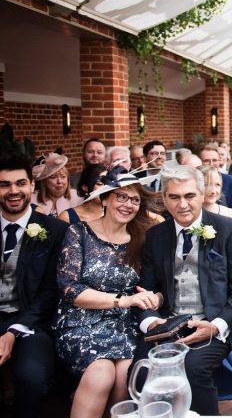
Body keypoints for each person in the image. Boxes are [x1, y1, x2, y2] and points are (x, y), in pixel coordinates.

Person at [134, 166, 232, 416]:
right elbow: (147, 288)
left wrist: (217, 325)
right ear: (164, 199)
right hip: (169, 323)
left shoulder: (229, 229)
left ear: (202, 194)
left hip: (214, 324)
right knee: (143, 371)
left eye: (189, 196)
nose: (183, 204)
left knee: (192, 368)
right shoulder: (156, 236)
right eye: (174, 197)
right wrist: (151, 322)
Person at [55, 168, 160, 418]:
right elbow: (70, 289)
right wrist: (122, 301)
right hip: (79, 321)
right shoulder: (78, 232)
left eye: (135, 200)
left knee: (126, 375)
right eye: (121, 197)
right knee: (101, 373)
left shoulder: (143, 239)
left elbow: (155, 287)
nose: (128, 204)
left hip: (124, 324)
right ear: (104, 198)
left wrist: (157, 297)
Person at [0, 152, 68, 417]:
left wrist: (13, 331)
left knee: (33, 378)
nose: (13, 191)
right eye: (4, 184)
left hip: (32, 322)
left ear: (31, 186)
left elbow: (52, 290)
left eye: (20, 183)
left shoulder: (54, 230)